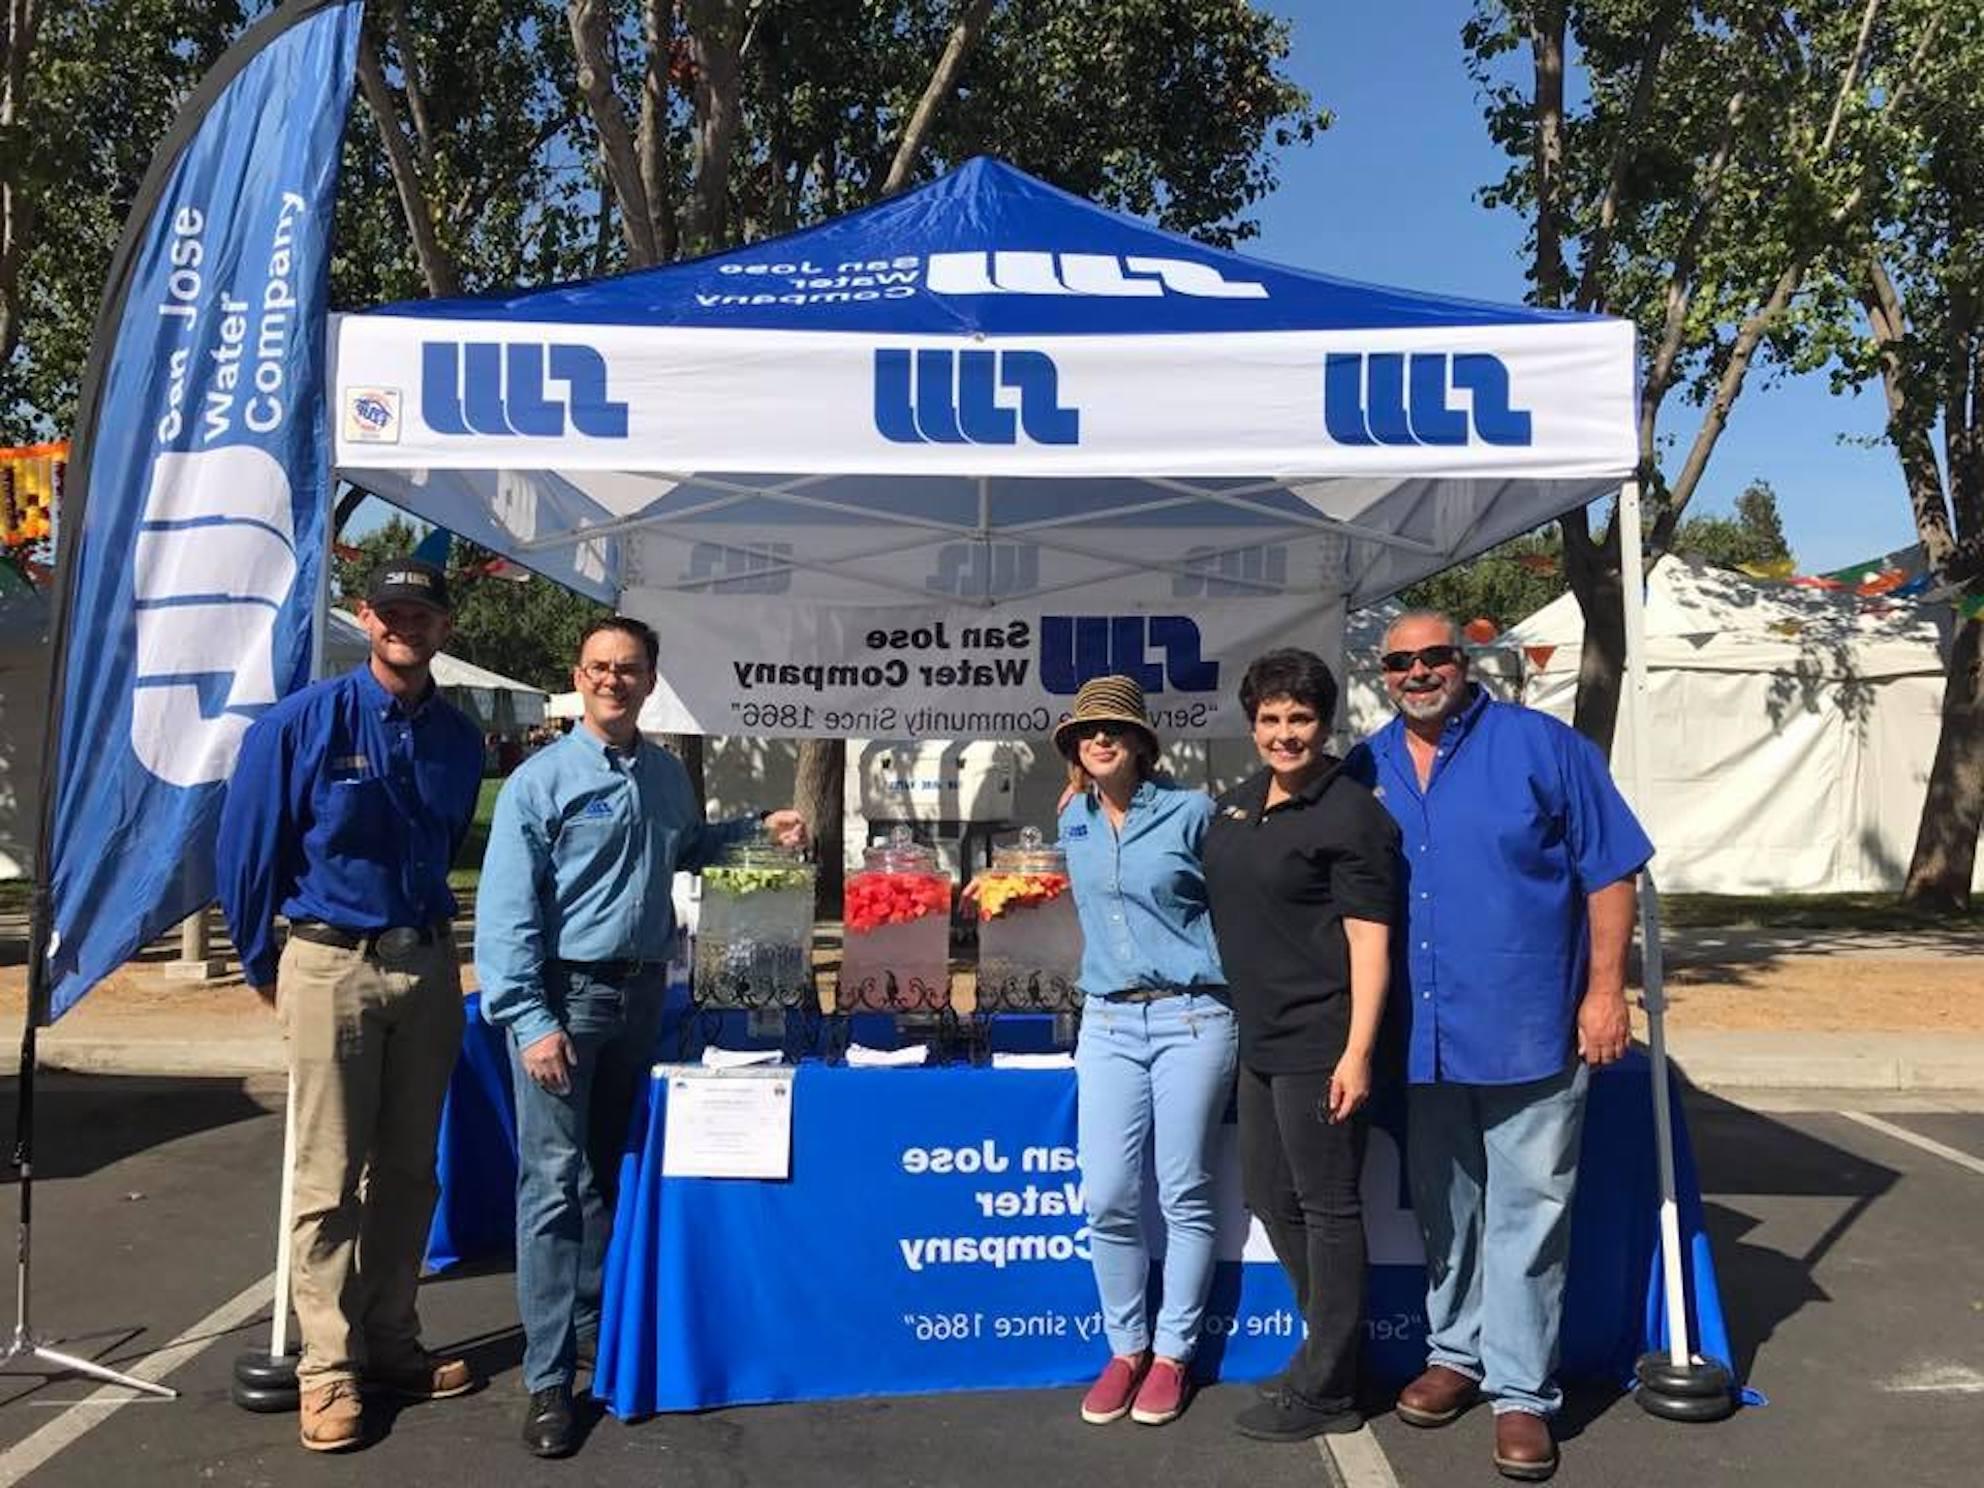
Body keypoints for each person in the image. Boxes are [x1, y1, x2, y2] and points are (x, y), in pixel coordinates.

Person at [474, 615, 808, 1459]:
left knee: (604, 1175)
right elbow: (506, 915)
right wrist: (531, 1019)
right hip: (565, 998)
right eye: (597, 667)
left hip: (638, 1001)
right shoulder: (540, 782)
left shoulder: (663, 776)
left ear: (649, 679)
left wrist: (755, 828)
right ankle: (549, 1381)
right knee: (551, 1186)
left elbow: (686, 846)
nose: (612, 680)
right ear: (578, 678)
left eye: (627, 668)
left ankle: (593, 1328)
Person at [1350, 611, 1652, 1483]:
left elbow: (1611, 871)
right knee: (1447, 1212)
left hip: (1530, 1028)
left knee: (1529, 1215)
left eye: (1432, 656)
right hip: (1424, 1037)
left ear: (1464, 659)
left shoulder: (1543, 746)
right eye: (1399, 661)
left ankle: (1521, 1395)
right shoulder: (1365, 764)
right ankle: (1455, 1354)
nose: (1416, 672)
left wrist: (1604, 992)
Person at [217, 558, 486, 1453]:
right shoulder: (303, 724)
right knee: (327, 1179)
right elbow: (249, 852)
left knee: (411, 1173)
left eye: (424, 613)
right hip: (331, 962)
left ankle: (389, 1341)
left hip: (427, 964)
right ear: (367, 618)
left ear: (444, 628)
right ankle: (326, 1369)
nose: (407, 625)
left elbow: (446, 839)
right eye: (393, 610)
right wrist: (266, 963)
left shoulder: (458, 735)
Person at [1203, 648, 1401, 1442]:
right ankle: (1331, 1349)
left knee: (1326, 1208)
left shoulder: (1351, 813)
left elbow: (1370, 943)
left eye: (1301, 719)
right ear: (1252, 724)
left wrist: (1357, 1052)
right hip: (1260, 1038)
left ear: (1325, 724)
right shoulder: (1239, 803)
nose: (1285, 735)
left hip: (1323, 1038)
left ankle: (1327, 1388)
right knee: (1268, 1198)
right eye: (1271, 720)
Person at [1054, 674, 1236, 1429]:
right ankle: (1125, 1347)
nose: (1101, 740)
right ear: (1075, 749)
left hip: (1193, 1016)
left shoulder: (1192, 812)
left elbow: (1239, 898)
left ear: (1140, 743)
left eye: (1115, 730)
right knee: (1106, 1195)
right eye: (1087, 732)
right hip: (1106, 1023)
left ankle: (1172, 1354)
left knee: (1183, 1190)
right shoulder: (1073, 820)